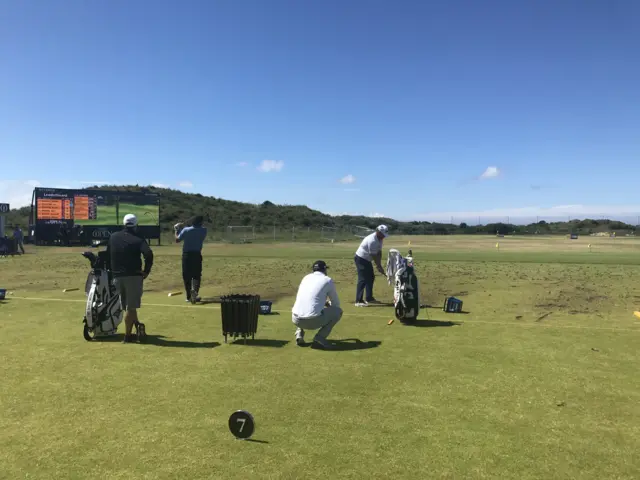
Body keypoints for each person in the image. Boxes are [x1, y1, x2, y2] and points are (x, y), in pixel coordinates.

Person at [107, 214, 154, 343]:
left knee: (128, 305)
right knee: (131, 307)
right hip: (133, 276)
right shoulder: (138, 239)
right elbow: (148, 254)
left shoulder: (113, 237)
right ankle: (127, 336)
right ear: (136, 225)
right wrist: (146, 271)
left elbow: (108, 255)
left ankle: (137, 325)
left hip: (117, 276)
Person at [291, 260, 343, 350]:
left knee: (303, 307)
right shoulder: (327, 280)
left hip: (296, 319)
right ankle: (320, 338)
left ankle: (299, 334)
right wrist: (328, 304)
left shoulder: (306, 278)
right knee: (338, 312)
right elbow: (336, 304)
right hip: (313, 322)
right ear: (324, 270)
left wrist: (323, 303)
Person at [353, 224, 389, 306]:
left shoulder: (380, 238)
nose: (384, 237)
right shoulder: (372, 240)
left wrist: (379, 264)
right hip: (361, 259)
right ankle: (358, 301)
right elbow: (374, 255)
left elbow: (379, 252)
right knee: (363, 279)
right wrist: (378, 266)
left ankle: (369, 298)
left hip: (367, 259)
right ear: (378, 232)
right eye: (383, 235)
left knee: (371, 277)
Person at [175, 215, 207, 303]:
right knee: (196, 275)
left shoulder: (186, 230)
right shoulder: (204, 230)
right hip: (197, 255)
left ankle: (189, 296)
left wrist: (177, 229)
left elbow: (177, 240)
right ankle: (195, 292)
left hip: (187, 255)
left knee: (186, 276)